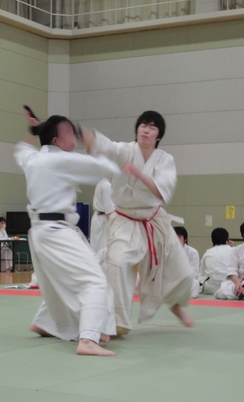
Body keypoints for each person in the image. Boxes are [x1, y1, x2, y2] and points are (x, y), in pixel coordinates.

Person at [16, 110, 121, 356]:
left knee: (59, 283)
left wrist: (34, 130)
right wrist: (92, 142)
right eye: (69, 134)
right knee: (95, 281)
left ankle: (45, 324)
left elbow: (21, 150)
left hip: (41, 232)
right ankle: (88, 339)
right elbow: (105, 168)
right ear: (56, 141)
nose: (74, 139)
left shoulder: (34, 158)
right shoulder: (60, 160)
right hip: (56, 232)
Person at [83, 110, 194, 334]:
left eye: (152, 127)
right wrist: (82, 134)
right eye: (143, 125)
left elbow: (161, 191)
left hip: (154, 221)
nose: (146, 130)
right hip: (124, 220)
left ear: (158, 136)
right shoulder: (125, 150)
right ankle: (117, 323)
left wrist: (137, 173)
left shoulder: (165, 160)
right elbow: (105, 146)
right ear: (137, 130)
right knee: (118, 263)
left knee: (182, 271)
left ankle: (175, 304)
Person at [199, 227, 233, 295]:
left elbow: (202, 273)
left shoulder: (208, 253)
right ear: (227, 240)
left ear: (212, 240)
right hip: (228, 288)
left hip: (210, 289)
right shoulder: (233, 251)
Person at [90, 178, 114, 253]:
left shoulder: (102, 182)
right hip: (103, 220)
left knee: (96, 247)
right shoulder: (107, 186)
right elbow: (109, 212)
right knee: (102, 247)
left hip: (98, 217)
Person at [174, 226, 200, 298]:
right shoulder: (166, 252)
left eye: (179, 237)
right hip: (170, 281)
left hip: (185, 281)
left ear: (185, 239)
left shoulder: (192, 252)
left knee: (195, 284)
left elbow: (195, 274)